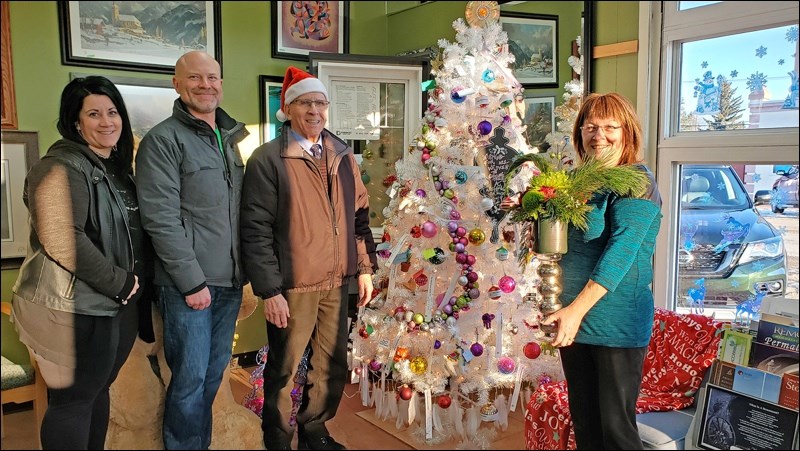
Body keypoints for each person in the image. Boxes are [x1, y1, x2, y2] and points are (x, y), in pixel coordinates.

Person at [10, 75, 154, 449]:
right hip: (73, 306)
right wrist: (119, 282)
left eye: (112, 112)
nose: (107, 122)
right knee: (72, 402)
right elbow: (61, 238)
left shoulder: (113, 168)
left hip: (112, 306)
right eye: (94, 114)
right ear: (76, 121)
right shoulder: (60, 167)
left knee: (96, 391)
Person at [240, 66, 374, 451]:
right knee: (283, 369)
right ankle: (277, 439)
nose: (314, 110)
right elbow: (255, 230)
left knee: (330, 367)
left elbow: (359, 218)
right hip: (293, 285)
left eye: (320, 102)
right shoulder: (269, 160)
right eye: (305, 103)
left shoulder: (342, 155)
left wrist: (364, 269)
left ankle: (315, 430)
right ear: (289, 109)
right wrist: (270, 291)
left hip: (336, 280)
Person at [135, 50, 248, 450]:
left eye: (213, 77)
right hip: (190, 287)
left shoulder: (230, 137)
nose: (206, 85)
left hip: (230, 282)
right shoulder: (163, 141)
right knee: (189, 380)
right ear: (177, 84)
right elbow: (160, 219)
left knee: (213, 375)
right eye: (195, 78)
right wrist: (191, 282)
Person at [540, 92, 663, 450]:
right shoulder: (578, 181)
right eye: (591, 127)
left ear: (628, 133)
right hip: (572, 319)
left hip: (614, 322)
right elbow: (565, 241)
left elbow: (621, 253)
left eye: (611, 127)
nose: (600, 136)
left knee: (617, 432)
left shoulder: (637, 182)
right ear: (579, 132)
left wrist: (575, 312)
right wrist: (531, 208)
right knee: (587, 425)